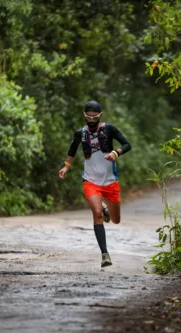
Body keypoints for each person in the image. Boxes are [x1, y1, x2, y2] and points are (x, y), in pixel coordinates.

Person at [59, 100, 132, 267]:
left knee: (116, 220)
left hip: (110, 182)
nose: (91, 120)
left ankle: (107, 209)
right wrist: (66, 166)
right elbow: (72, 149)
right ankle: (105, 254)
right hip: (90, 180)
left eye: (94, 117)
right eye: (88, 117)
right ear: (84, 116)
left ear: (100, 116)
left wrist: (116, 153)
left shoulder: (109, 129)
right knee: (97, 213)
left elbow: (128, 145)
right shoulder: (80, 133)